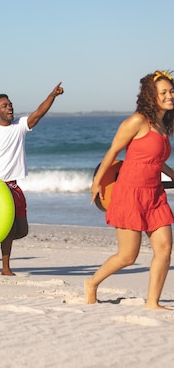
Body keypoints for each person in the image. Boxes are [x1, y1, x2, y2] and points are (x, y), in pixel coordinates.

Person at [86, 71, 174, 309]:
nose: (170, 95)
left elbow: (154, 159)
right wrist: (97, 183)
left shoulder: (163, 125)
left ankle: (152, 302)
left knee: (165, 248)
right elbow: (113, 151)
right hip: (130, 193)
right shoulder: (137, 121)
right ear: (150, 96)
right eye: (163, 92)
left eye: (171, 91)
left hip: (154, 194)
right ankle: (92, 283)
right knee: (128, 256)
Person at [0, 82, 64, 275]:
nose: (10, 107)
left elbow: (39, 113)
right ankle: (5, 269)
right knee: (8, 227)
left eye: (10, 104)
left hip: (14, 186)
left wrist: (52, 95)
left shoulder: (19, 126)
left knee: (22, 231)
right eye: (4, 106)